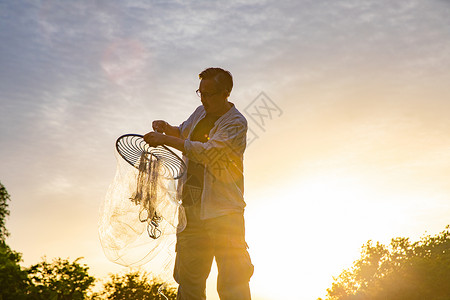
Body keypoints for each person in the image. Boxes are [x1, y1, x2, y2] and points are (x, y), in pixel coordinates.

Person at [144, 67, 254, 300]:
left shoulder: (236, 123)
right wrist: (167, 128)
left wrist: (165, 139)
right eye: (200, 93)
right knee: (189, 281)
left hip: (225, 214)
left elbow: (207, 152)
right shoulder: (199, 112)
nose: (203, 99)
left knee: (233, 282)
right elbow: (183, 133)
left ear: (226, 93)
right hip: (191, 212)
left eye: (209, 94)